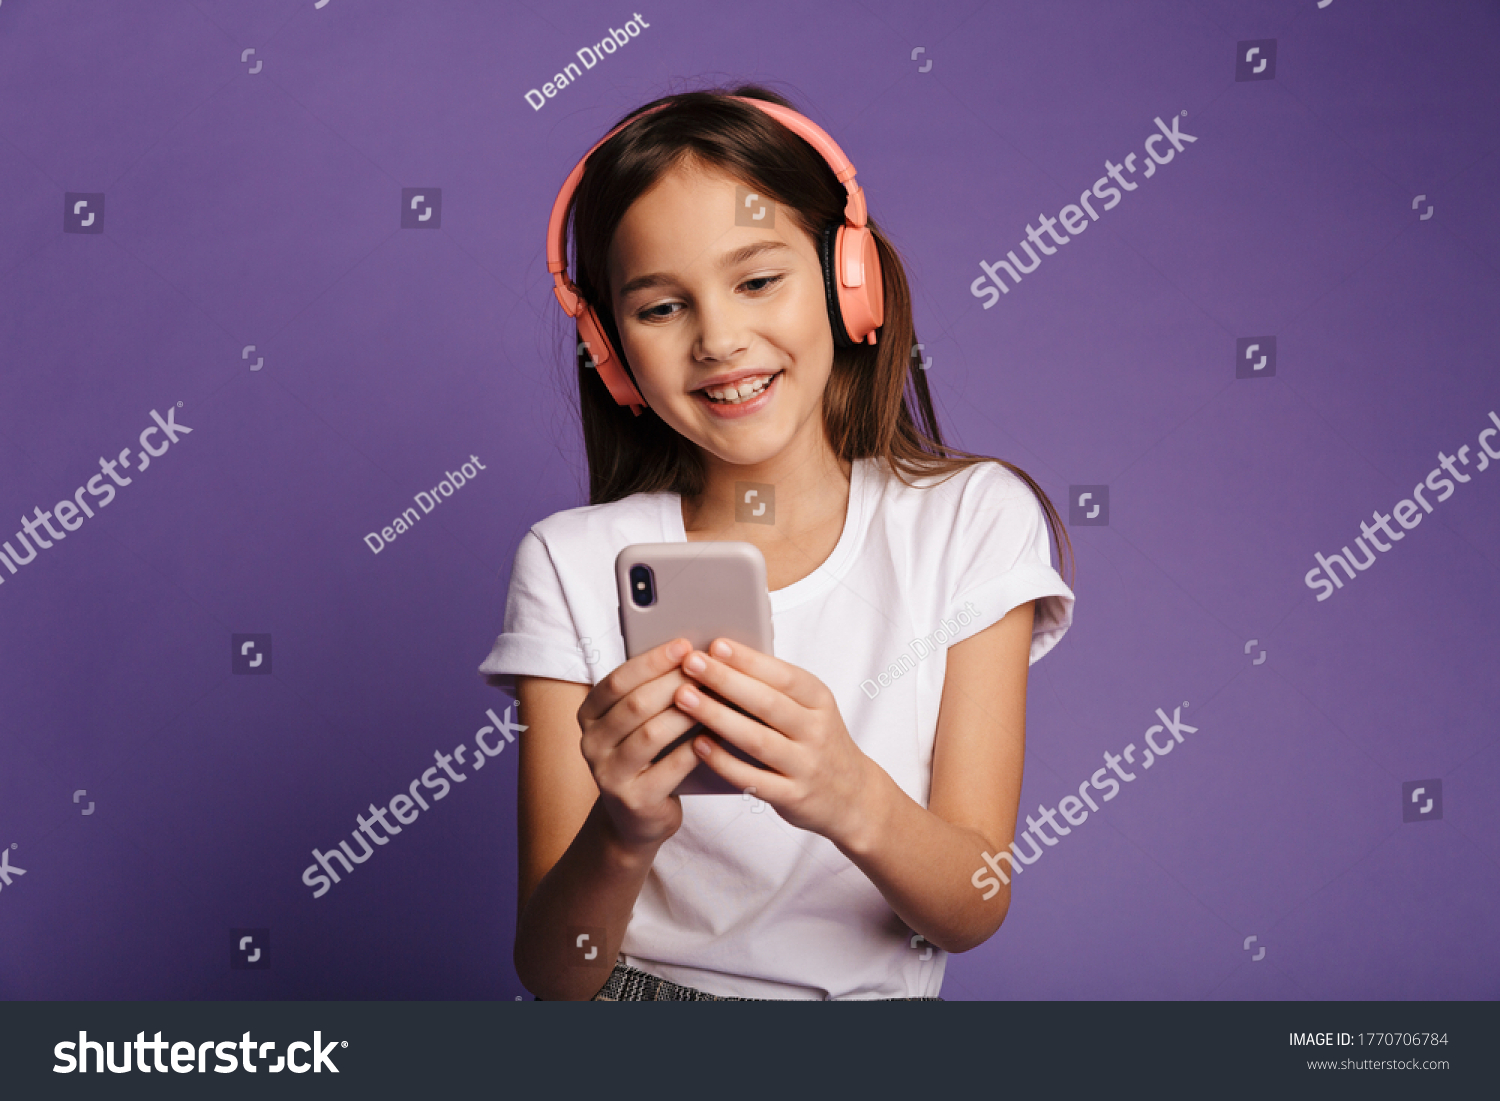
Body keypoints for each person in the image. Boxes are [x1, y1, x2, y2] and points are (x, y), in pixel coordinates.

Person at [478, 82, 1076, 1001]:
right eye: (659, 307)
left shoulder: (971, 519)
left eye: (758, 280)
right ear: (608, 349)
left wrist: (846, 790)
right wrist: (626, 828)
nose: (719, 338)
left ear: (851, 283)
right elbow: (557, 974)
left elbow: (972, 906)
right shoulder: (568, 560)